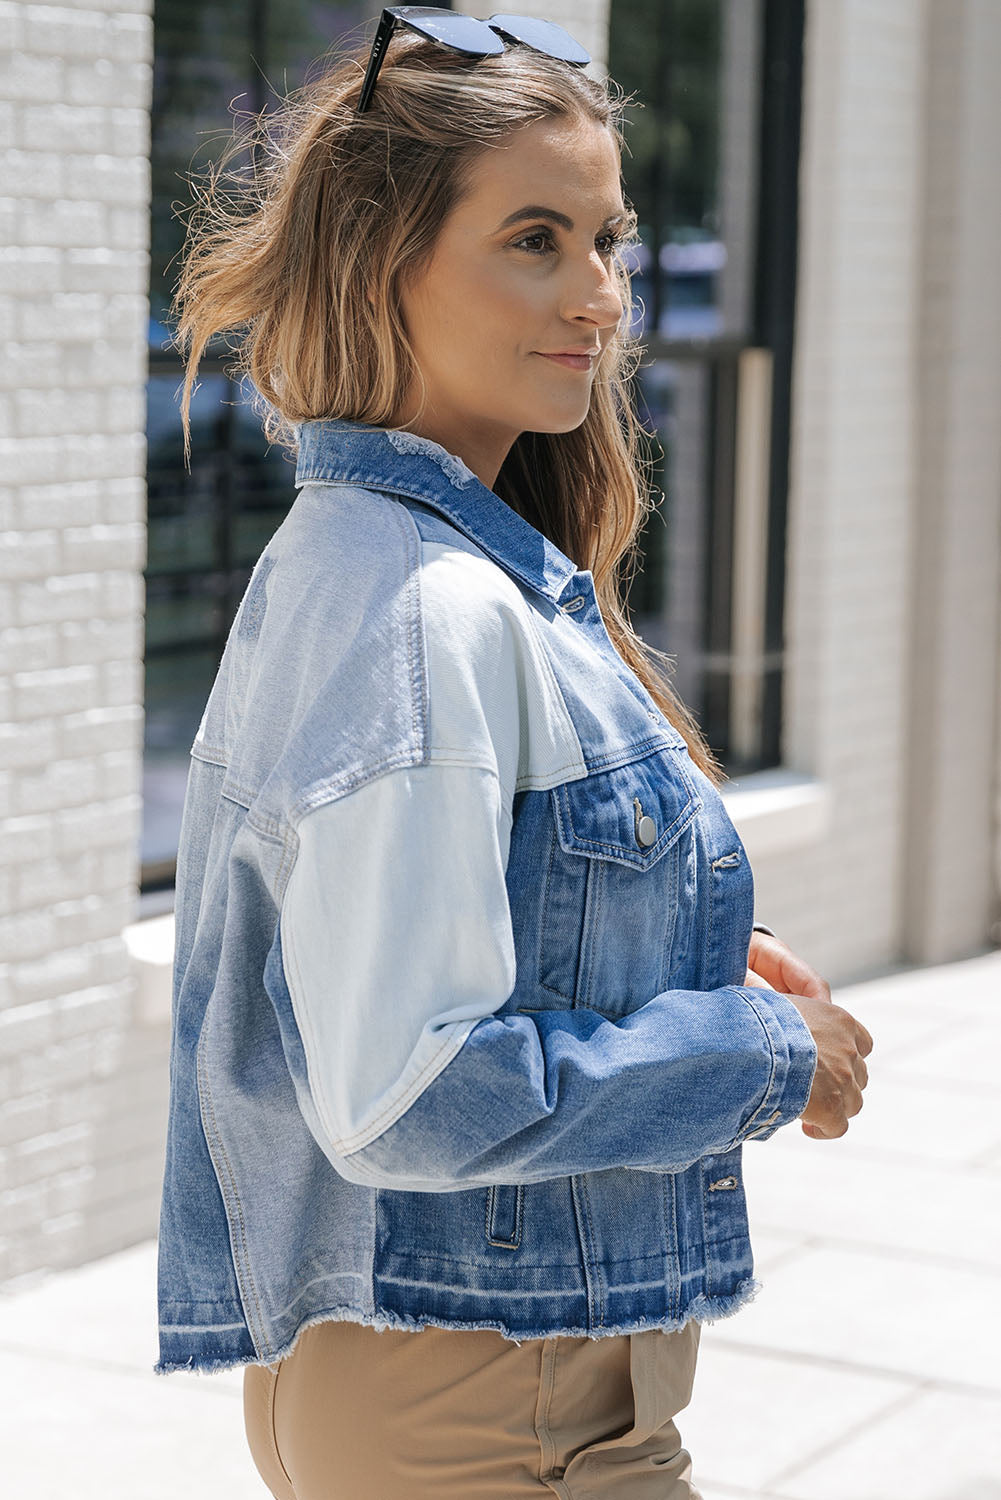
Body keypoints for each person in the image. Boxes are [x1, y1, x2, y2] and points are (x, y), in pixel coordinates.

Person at [153, 9, 873, 1498]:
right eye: (532, 240)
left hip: (471, 1384)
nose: (598, 296)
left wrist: (662, 940)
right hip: (502, 1417)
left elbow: (436, 929)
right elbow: (412, 1093)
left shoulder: (386, 558)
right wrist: (759, 1052)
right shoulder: (420, 611)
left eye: (607, 240)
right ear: (383, 259)